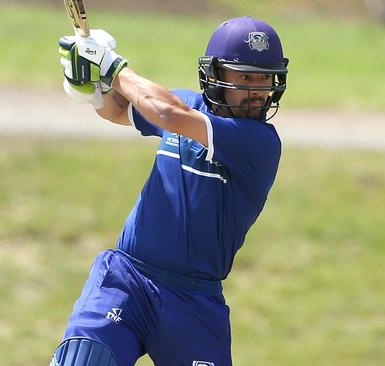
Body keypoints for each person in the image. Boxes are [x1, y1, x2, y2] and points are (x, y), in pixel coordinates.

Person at [51, 16, 289, 366]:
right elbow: (118, 110)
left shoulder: (259, 143)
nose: (256, 92)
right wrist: (91, 88)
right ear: (217, 75)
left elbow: (164, 110)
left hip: (194, 301)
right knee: (84, 359)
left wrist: (112, 66)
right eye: (245, 77)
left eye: (264, 79)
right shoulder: (188, 105)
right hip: (126, 279)